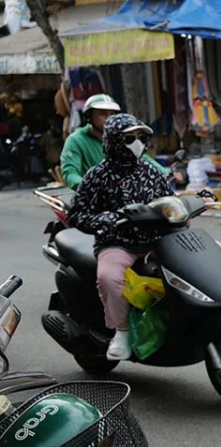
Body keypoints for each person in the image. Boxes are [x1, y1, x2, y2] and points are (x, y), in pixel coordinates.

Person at [67, 114, 176, 361]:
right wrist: (109, 219)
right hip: (117, 242)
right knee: (109, 277)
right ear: (114, 141)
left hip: (156, 239)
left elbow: (171, 199)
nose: (136, 143)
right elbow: (77, 214)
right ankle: (122, 331)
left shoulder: (152, 170)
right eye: (129, 138)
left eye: (141, 137)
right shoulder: (98, 175)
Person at [60, 94, 169, 190]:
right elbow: (70, 172)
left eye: (112, 114)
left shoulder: (122, 136)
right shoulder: (75, 140)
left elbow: (141, 157)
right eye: (102, 114)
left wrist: (166, 174)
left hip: (128, 192)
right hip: (97, 198)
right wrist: (89, 187)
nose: (109, 118)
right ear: (89, 117)